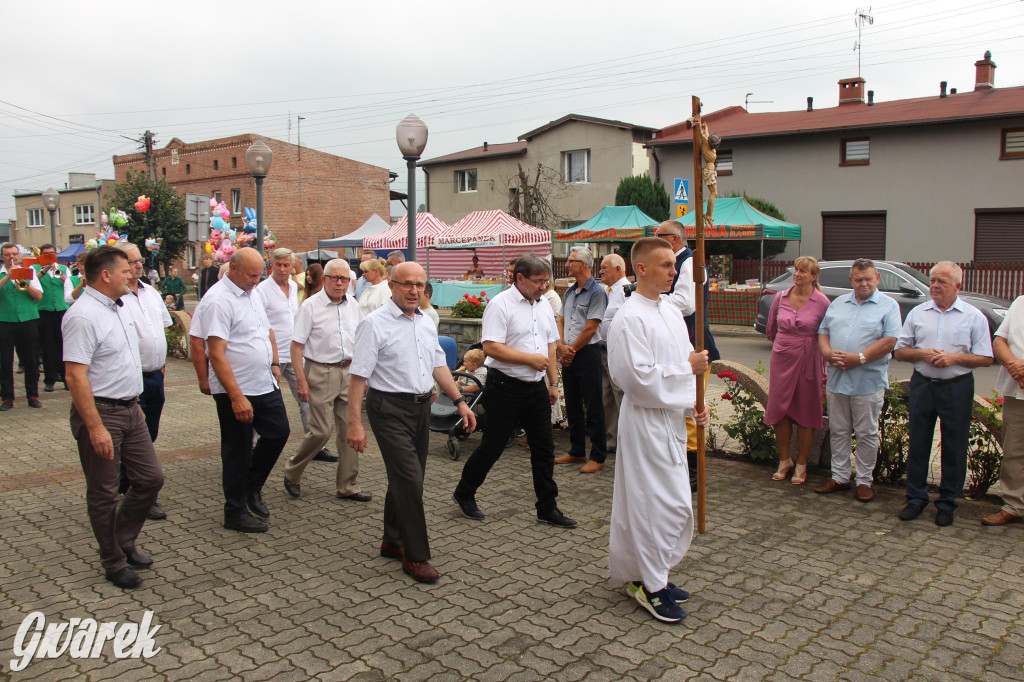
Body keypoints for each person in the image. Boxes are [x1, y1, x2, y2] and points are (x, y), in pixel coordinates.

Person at [347, 261, 476, 584]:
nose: (414, 291)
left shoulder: (424, 322)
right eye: (406, 284)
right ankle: (416, 556)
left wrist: (460, 402)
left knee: (405, 479)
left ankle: (392, 540)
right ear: (392, 285)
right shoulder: (373, 324)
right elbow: (358, 377)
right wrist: (354, 423)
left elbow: (438, 366)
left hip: (421, 409)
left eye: (419, 285)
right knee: (410, 480)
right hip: (388, 408)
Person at [606, 236, 710, 624]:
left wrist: (695, 403)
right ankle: (651, 587)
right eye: (666, 265)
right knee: (655, 504)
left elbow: (683, 362)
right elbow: (635, 378)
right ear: (642, 268)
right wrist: (689, 372)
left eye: (674, 264)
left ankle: (651, 575)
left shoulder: (668, 311)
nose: (673, 270)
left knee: (671, 500)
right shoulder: (629, 318)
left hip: (671, 418)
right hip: (646, 421)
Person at [62, 246, 164, 589]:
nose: (131, 274)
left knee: (150, 479)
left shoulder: (118, 306)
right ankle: (113, 560)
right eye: (124, 271)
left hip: (131, 408)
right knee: (104, 492)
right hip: (102, 412)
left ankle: (124, 539)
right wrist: (94, 427)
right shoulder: (82, 315)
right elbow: (75, 376)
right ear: (105, 275)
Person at [452, 255, 577, 528]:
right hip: (505, 386)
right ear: (520, 278)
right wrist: (528, 359)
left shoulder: (543, 304)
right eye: (539, 281)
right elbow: (491, 348)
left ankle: (547, 507)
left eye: (546, 281)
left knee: (544, 448)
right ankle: (465, 492)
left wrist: (553, 383)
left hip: (536, 388)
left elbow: (550, 346)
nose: (543, 287)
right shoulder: (500, 305)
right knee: (494, 445)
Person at [190, 247, 290, 533]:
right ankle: (234, 511)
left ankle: (251, 486)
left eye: (259, 275)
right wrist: (235, 396)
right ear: (232, 268)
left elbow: (264, 330)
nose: (256, 280)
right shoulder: (218, 301)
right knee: (237, 449)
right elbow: (216, 354)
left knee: (279, 431)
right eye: (251, 275)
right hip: (237, 388)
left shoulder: (252, 291)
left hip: (263, 382)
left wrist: (272, 363)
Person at [894, 261, 993, 526]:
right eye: (933, 280)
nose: (935, 286)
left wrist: (954, 359)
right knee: (918, 442)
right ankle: (915, 498)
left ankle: (947, 503)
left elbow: (985, 358)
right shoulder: (918, 313)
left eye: (942, 282)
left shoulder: (973, 316)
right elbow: (901, 352)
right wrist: (924, 353)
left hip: (956, 387)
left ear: (957, 286)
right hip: (923, 384)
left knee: (954, 445)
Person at [815, 259, 901, 502]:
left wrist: (860, 358)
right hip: (837, 378)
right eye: (859, 279)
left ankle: (864, 481)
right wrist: (827, 354)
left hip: (867, 380)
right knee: (839, 430)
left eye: (868, 279)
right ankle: (840, 477)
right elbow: (823, 332)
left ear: (877, 279)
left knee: (866, 433)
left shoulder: (889, 306)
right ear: (851, 280)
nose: (864, 283)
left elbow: (890, 341)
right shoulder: (838, 303)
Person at [283, 259, 369, 501]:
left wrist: (365, 374)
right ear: (325, 280)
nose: (340, 283)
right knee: (320, 432)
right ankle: (292, 471)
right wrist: (301, 380)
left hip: (349, 373)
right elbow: (297, 346)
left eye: (344, 279)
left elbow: (361, 339)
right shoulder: (310, 306)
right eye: (335, 278)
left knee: (349, 429)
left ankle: (348, 486)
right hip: (320, 372)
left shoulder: (353, 304)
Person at [655, 220, 722, 489]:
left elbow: (685, 303)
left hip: (693, 344)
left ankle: (694, 470)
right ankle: (678, 463)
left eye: (658, 236)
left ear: (673, 239)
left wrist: (651, 299)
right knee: (675, 405)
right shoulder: (677, 262)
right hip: (674, 343)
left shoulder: (692, 263)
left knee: (691, 408)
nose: (655, 239)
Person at [256, 248, 332, 462]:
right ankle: (252, 446)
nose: (282, 269)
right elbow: (260, 324)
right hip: (272, 355)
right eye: (278, 264)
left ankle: (315, 446)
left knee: (307, 398)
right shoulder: (262, 290)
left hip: (295, 352)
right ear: (271, 265)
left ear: (292, 266)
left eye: (286, 265)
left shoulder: (293, 286)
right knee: (263, 401)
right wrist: (272, 359)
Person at [116, 242, 173, 521]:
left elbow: (162, 329)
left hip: (155, 376)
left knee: (149, 433)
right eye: (131, 261)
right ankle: (140, 490)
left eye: (139, 260)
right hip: (131, 378)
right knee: (137, 440)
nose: (138, 266)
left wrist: (161, 366)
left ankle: (125, 478)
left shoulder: (150, 292)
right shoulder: (116, 297)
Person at [765, 256, 830, 485]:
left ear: (814, 276)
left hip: (808, 359)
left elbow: (827, 333)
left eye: (803, 271)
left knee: (805, 410)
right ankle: (785, 460)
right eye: (796, 269)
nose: (798, 273)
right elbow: (771, 330)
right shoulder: (781, 298)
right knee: (779, 410)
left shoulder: (822, 302)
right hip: (782, 358)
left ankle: (802, 463)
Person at [555, 246, 608, 473]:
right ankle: (577, 450)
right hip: (569, 353)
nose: (567, 264)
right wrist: (560, 347)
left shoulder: (597, 293)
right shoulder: (569, 292)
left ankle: (598, 455)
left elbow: (591, 328)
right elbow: (561, 321)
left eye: (570, 261)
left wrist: (570, 350)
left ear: (583, 265)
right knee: (573, 404)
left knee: (593, 404)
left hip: (586, 354)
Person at [984, 294, 1024, 526]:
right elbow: (1000, 340)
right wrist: (1015, 367)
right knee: (1014, 451)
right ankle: (1015, 506)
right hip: (1016, 389)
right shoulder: (1020, 302)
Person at [0, 242, 43, 410]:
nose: (11, 257)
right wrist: (7, 276)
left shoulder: (30, 272)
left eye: (14, 254)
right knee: (5, 360)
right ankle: (7, 397)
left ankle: (32, 395)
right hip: (5, 321)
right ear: (2, 257)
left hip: (28, 320)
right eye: (7, 255)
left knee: (31, 359)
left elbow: (38, 296)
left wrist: (25, 282)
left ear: (19, 256)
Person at [32, 244, 74, 392]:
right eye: (46, 254)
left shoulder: (63, 268)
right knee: (48, 346)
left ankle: (66, 379)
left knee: (64, 346)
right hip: (44, 310)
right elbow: (32, 283)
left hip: (61, 310)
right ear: (41, 256)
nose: (49, 256)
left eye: (52, 253)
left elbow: (70, 284)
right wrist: (44, 270)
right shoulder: (35, 268)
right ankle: (49, 380)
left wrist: (57, 272)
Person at [598, 253, 629, 454]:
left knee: (620, 396)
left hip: (618, 350)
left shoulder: (628, 292)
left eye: (604, 268)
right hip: (601, 349)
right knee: (605, 396)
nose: (600, 271)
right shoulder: (604, 291)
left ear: (618, 269)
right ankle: (611, 440)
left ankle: (627, 441)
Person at [698, 121, 722, 227]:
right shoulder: (706, 142)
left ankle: (709, 215)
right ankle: (708, 215)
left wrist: (705, 127)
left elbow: (705, 133)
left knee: (714, 193)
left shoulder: (708, 142)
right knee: (714, 193)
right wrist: (698, 124)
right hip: (709, 171)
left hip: (711, 170)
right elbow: (701, 133)